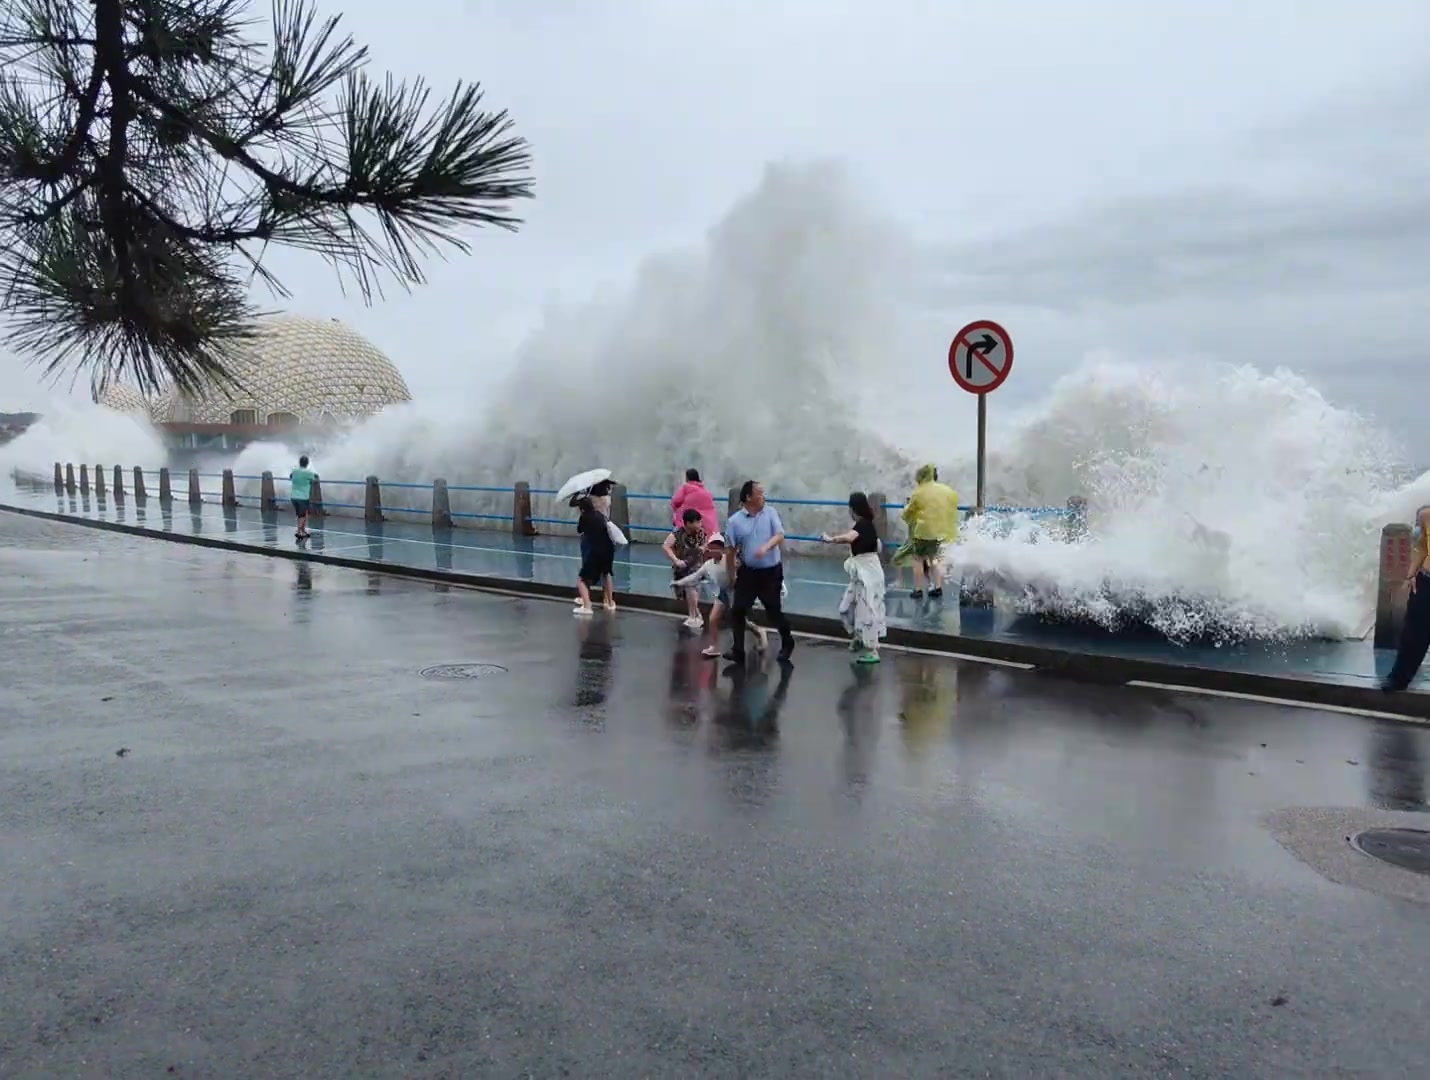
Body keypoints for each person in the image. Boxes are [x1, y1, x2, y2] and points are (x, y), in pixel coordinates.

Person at [724, 480, 796, 666]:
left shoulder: (770, 513)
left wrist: (766, 546)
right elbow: (730, 550)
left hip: (771, 572)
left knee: (773, 611)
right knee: (738, 610)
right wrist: (731, 574)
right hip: (748, 572)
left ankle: (787, 642)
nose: (763, 496)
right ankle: (738, 650)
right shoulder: (735, 522)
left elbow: (780, 535)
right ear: (749, 497)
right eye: (760, 493)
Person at [674, 535, 768, 658]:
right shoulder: (708, 565)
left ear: (723, 549)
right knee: (713, 619)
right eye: (711, 547)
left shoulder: (730, 560)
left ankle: (759, 632)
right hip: (723, 593)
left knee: (739, 622)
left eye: (717, 548)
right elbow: (695, 576)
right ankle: (714, 647)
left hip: (737, 593)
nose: (713, 550)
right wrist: (679, 582)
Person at [820, 491, 887, 663]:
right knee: (845, 608)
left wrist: (829, 539)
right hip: (860, 574)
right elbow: (877, 547)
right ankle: (858, 636)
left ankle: (872, 650)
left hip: (869, 576)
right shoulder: (866, 525)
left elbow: (849, 538)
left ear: (853, 509)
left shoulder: (863, 525)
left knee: (867, 612)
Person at [896, 463, 960, 599]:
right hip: (941, 532)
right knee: (935, 559)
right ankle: (938, 588)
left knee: (918, 559)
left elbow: (908, 513)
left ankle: (918, 590)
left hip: (923, 533)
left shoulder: (919, 491)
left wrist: (906, 516)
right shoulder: (947, 490)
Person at [1384, 505, 1430, 692]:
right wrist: (1411, 575)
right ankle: (1398, 679)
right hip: (1426, 580)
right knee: (1413, 634)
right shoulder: (1427, 515)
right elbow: (1422, 548)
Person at [664, 508, 708, 629]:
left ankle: (693, 616)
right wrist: (676, 560)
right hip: (682, 566)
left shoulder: (701, 533)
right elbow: (666, 546)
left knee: (691, 587)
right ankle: (696, 614)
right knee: (684, 593)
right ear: (688, 523)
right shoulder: (677, 534)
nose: (699, 524)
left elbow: (704, 546)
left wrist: (702, 549)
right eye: (697, 522)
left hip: (696, 566)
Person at [574, 495, 617, 615]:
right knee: (606, 573)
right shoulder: (600, 515)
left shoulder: (585, 516)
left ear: (582, 509)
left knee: (582, 579)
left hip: (595, 550)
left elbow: (579, 530)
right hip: (608, 549)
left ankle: (587, 606)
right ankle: (610, 602)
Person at [672, 468, 719, 535]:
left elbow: (676, 501)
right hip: (709, 525)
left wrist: (675, 508)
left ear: (687, 478)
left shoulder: (686, 488)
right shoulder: (705, 491)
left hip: (691, 523)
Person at [289, 454, 318, 540]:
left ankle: (303, 530)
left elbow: (291, 476)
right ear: (307, 463)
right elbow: (315, 479)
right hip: (303, 497)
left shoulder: (295, 471)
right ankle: (299, 532)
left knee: (301, 514)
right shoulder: (308, 472)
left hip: (294, 496)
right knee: (302, 515)